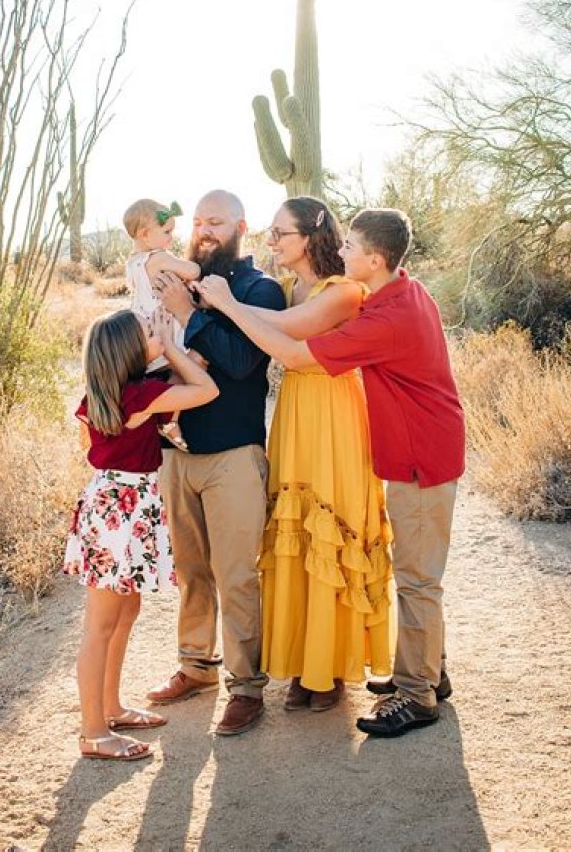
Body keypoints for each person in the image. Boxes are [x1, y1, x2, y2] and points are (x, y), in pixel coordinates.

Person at [198, 207, 465, 739]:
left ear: (374, 257)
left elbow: (297, 356)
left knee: (417, 577)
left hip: (421, 456)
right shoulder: (401, 293)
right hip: (420, 447)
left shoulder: (387, 317)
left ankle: (417, 696)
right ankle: (428, 672)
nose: (339, 251)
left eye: (350, 247)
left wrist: (227, 305)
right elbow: (293, 328)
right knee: (414, 568)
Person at [240, 197, 393, 712]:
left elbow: (295, 330)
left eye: (281, 233)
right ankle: (304, 665)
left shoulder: (343, 291)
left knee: (331, 526)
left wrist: (225, 304)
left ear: (310, 237)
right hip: (294, 412)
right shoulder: (285, 290)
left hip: (334, 416)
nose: (273, 241)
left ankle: (332, 669)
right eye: (270, 232)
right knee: (295, 532)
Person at [146, 189, 285, 736]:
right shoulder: (177, 281)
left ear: (241, 228)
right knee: (192, 573)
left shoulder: (260, 290)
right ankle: (195, 667)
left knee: (236, 574)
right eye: (199, 221)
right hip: (177, 455)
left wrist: (190, 315)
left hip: (233, 453)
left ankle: (247, 686)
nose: (204, 230)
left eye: (217, 222)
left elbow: (244, 361)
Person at [63, 309, 218, 761]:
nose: (158, 333)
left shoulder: (103, 397)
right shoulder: (141, 395)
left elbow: (90, 448)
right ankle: (93, 731)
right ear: (132, 350)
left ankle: (110, 707)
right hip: (121, 513)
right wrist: (171, 349)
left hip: (112, 504)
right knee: (100, 624)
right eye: (149, 333)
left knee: (126, 609)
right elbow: (207, 391)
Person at [122, 197, 202, 450]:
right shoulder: (159, 258)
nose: (171, 237)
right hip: (165, 325)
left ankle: (159, 417)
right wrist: (191, 266)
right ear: (145, 234)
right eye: (167, 232)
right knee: (190, 362)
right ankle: (171, 418)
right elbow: (193, 271)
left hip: (144, 330)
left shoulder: (132, 263)